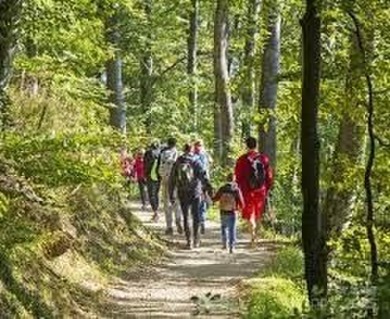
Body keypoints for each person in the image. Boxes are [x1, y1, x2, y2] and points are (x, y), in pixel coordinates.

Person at [169, 143, 213, 249]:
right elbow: (203, 176)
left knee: (186, 216)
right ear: (192, 150)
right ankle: (196, 240)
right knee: (196, 216)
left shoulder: (178, 161)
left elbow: (172, 179)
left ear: (183, 149)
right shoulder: (196, 160)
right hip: (195, 192)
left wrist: (171, 194)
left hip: (182, 191)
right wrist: (209, 189)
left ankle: (189, 241)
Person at [234, 136, 273, 246]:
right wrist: (268, 188)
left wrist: (239, 188)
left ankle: (252, 237)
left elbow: (237, 176)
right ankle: (256, 237)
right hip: (261, 190)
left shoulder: (242, 160)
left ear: (246, 146)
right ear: (256, 145)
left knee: (250, 214)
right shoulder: (263, 159)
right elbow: (269, 176)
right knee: (258, 214)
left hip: (247, 191)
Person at [213, 173, 244, 254]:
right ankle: (231, 247)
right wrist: (241, 208)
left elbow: (215, 198)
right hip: (232, 211)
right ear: (234, 179)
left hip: (223, 211)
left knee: (224, 227)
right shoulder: (236, 189)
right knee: (232, 229)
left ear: (226, 179)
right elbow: (241, 202)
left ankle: (224, 244)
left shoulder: (222, 188)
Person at [158, 137, 182, 235]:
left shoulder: (163, 154)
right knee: (176, 203)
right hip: (176, 182)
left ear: (168, 144)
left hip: (165, 180)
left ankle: (169, 227)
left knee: (167, 203)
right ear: (175, 144)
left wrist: (162, 176)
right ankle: (178, 220)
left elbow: (159, 168)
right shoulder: (179, 155)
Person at [193, 140, 212, 234]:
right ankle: (202, 221)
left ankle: (200, 221)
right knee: (203, 201)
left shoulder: (193, 156)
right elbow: (209, 166)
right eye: (197, 145)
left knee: (199, 202)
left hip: (197, 182)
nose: (198, 147)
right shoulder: (205, 155)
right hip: (204, 181)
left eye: (199, 145)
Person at [144, 141, 161, 222]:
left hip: (150, 176)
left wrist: (145, 174)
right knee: (157, 194)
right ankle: (156, 212)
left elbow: (146, 165)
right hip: (159, 176)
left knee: (151, 195)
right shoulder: (161, 153)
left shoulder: (148, 153)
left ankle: (156, 213)